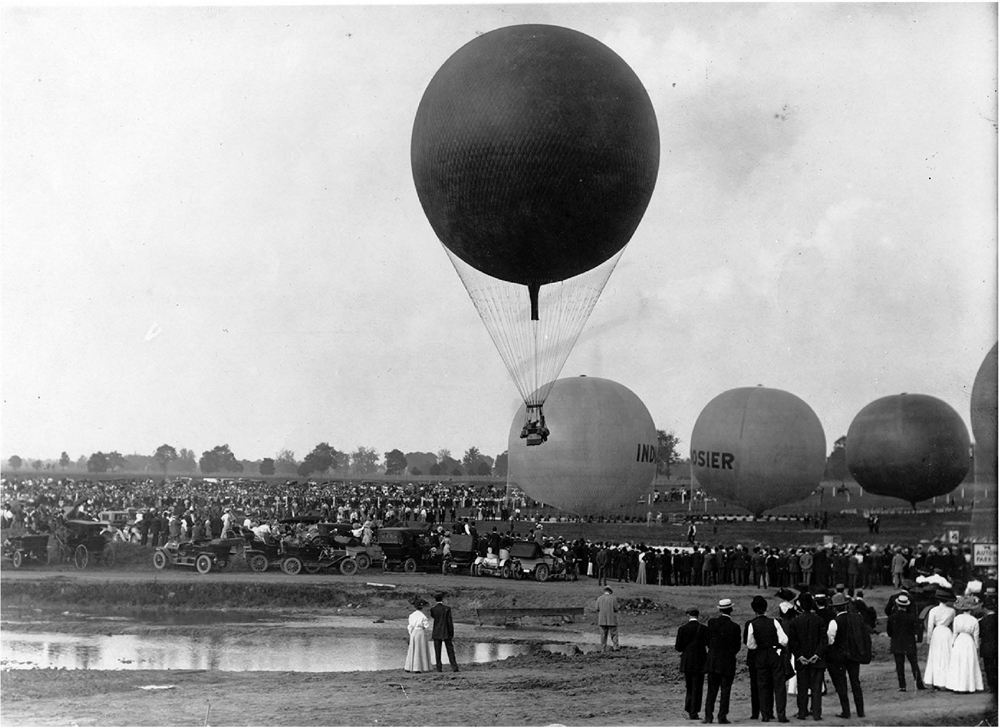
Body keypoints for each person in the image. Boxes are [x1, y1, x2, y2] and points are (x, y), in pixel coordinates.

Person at [745, 595, 789, 723]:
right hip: (774, 654)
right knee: (779, 686)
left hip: (760, 655)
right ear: (766, 608)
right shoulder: (774, 622)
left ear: (754, 609)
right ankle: (781, 714)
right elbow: (784, 640)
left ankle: (765, 715)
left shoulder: (752, 624)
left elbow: (750, 645)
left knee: (763, 686)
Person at [826, 593, 868, 719]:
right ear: (845, 605)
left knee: (841, 683)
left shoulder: (834, 622)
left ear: (834, 608)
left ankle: (846, 711)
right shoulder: (857, 618)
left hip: (839, 657)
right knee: (855, 682)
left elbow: (830, 640)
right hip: (854, 655)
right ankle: (860, 711)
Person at [787, 592, 826, 721]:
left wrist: (799, 656)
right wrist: (817, 655)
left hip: (802, 660)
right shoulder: (819, 620)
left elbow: (792, 642)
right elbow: (823, 640)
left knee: (802, 688)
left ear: (801, 606)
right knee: (816, 688)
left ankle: (802, 712)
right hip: (817, 660)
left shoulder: (795, 622)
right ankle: (816, 713)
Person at [704, 598, 742, 724]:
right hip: (728, 662)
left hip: (713, 661)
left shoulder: (712, 623)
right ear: (731, 610)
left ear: (719, 609)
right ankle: (722, 716)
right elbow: (737, 646)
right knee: (726, 691)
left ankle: (708, 716)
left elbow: (708, 640)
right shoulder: (735, 627)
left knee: (711, 690)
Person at [886, 593, 925, 692]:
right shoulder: (911, 618)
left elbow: (889, 632)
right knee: (914, 664)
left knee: (899, 665)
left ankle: (902, 685)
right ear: (907, 606)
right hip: (909, 642)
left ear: (897, 605)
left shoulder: (891, 618)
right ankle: (919, 683)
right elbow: (915, 630)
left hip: (897, 643)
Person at [945, 596, 984, 692]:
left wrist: (953, 643)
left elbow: (954, 633)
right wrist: (976, 647)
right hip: (968, 642)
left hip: (959, 641)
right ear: (971, 609)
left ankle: (957, 685)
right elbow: (976, 636)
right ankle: (968, 686)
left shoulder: (957, 618)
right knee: (968, 662)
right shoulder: (974, 620)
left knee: (958, 662)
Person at [675, 606, 708, 721]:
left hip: (687, 661)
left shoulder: (682, 629)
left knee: (689, 686)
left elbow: (678, 647)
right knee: (698, 687)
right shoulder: (703, 628)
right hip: (700, 660)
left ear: (688, 615)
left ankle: (689, 708)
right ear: (698, 616)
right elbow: (708, 643)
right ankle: (694, 712)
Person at [923, 588, 957, 689]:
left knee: (936, 656)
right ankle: (947, 680)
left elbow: (930, 626)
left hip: (937, 632)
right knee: (947, 656)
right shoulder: (952, 611)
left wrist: (929, 639)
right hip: (947, 632)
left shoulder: (933, 610)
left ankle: (935, 680)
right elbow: (953, 624)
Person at [430, 592, 459, 673]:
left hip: (436, 631)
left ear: (435, 599)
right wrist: (451, 633)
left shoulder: (433, 609)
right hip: (446, 631)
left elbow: (434, 617)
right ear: (442, 599)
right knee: (450, 650)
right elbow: (450, 621)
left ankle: (439, 668)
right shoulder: (447, 609)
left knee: (437, 651)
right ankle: (454, 666)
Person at [404, 597, 434, 673]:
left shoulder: (412, 615)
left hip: (414, 632)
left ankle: (410, 667)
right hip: (420, 632)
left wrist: (410, 634)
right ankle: (421, 667)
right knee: (421, 649)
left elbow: (410, 626)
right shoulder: (423, 616)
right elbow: (426, 626)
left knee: (413, 649)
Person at [979, 586, 998, 694]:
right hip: (997, 647)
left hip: (987, 648)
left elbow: (980, 634)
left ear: (985, 609)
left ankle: (992, 687)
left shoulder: (982, 621)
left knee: (989, 669)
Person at [594, 586, 619, 652]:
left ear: (604, 591)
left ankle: (603, 648)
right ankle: (616, 647)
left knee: (603, 635)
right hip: (611, 619)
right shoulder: (613, 598)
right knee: (614, 634)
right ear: (610, 591)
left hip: (602, 619)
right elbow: (616, 609)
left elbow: (596, 608)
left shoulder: (599, 598)